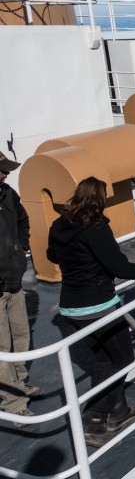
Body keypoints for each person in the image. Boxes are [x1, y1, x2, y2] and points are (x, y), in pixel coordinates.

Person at [47, 177, 135, 442]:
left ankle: (119, 411)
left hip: (72, 307)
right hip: (98, 305)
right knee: (122, 359)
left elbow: (52, 255)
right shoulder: (94, 229)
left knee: (105, 359)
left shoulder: (59, 224)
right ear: (100, 199)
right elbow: (119, 268)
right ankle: (95, 416)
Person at [0, 151, 41, 428]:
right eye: (3, 170)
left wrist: (20, 247)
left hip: (13, 279)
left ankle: (19, 382)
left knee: (20, 335)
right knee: (2, 346)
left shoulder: (7, 193)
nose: (7, 173)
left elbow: (23, 221)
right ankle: (13, 403)